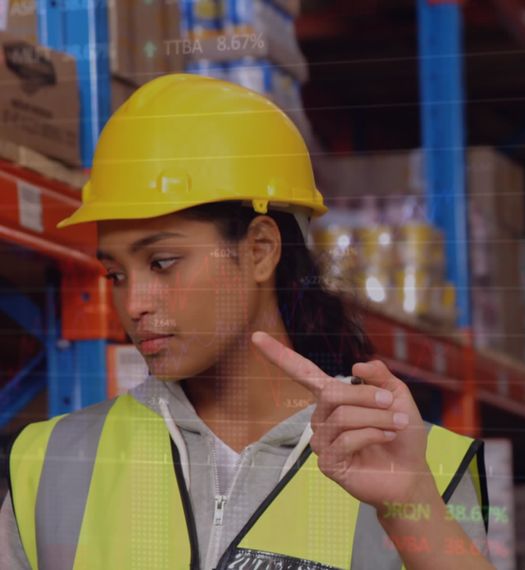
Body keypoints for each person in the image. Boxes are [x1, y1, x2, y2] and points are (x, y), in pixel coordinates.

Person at [0, 74, 491, 569]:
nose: (133, 305)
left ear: (260, 249)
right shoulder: (50, 463)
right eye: (116, 274)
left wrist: (413, 507)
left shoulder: (418, 462)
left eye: (163, 262)